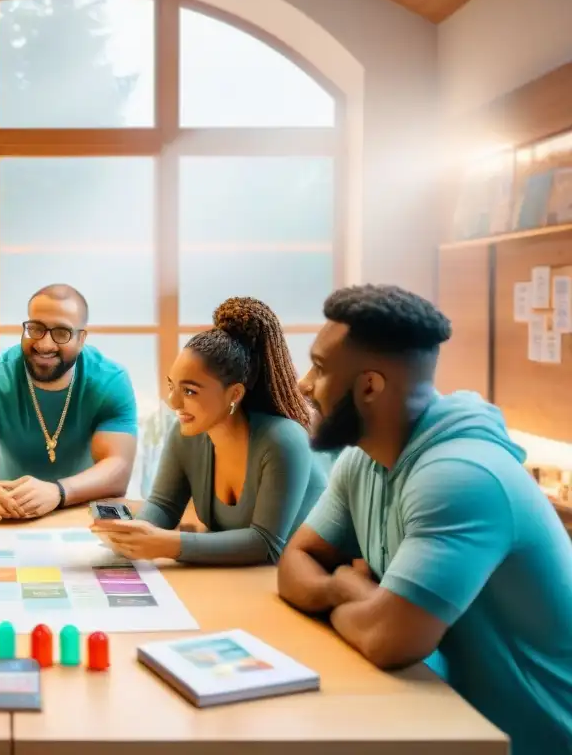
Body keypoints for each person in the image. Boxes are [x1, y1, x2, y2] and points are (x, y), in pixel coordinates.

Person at [277, 284, 572, 755]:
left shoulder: (461, 477)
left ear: (370, 386)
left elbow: (388, 640)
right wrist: (345, 589)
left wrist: (363, 599)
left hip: (530, 739)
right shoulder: (365, 459)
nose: (304, 384)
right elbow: (296, 559)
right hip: (446, 719)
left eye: (321, 368)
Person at [92, 297, 326, 565]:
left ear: (234, 393)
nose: (174, 402)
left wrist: (166, 544)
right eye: (172, 387)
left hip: (306, 577)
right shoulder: (185, 434)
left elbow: (266, 545)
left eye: (190, 391)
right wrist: (132, 534)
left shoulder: (283, 439)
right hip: (243, 580)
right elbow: (164, 505)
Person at [0, 284, 138, 522]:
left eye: (61, 333)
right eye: (36, 328)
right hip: (12, 513)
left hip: (82, 513)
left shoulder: (110, 380)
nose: (45, 344)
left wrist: (58, 492)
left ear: (82, 338)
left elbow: (118, 467)